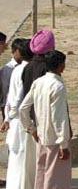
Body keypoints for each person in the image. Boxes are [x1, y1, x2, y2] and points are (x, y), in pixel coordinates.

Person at [19, 50, 72, 189]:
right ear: (61, 66)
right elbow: (58, 117)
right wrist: (64, 145)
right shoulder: (58, 86)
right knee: (55, 180)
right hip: (54, 140)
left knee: (42, 175)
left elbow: (23, 108)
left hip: (41, 137)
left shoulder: (39, 82)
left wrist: (31, 129)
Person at [3, 38, 35, 189]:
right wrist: (10, 117)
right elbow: (17, 98)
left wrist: (8, 117)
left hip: (15, 119)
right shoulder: (26, 70)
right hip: (21, 121)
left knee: (17, 159)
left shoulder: (17, 70)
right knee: (23, 159)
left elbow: (10, 99)